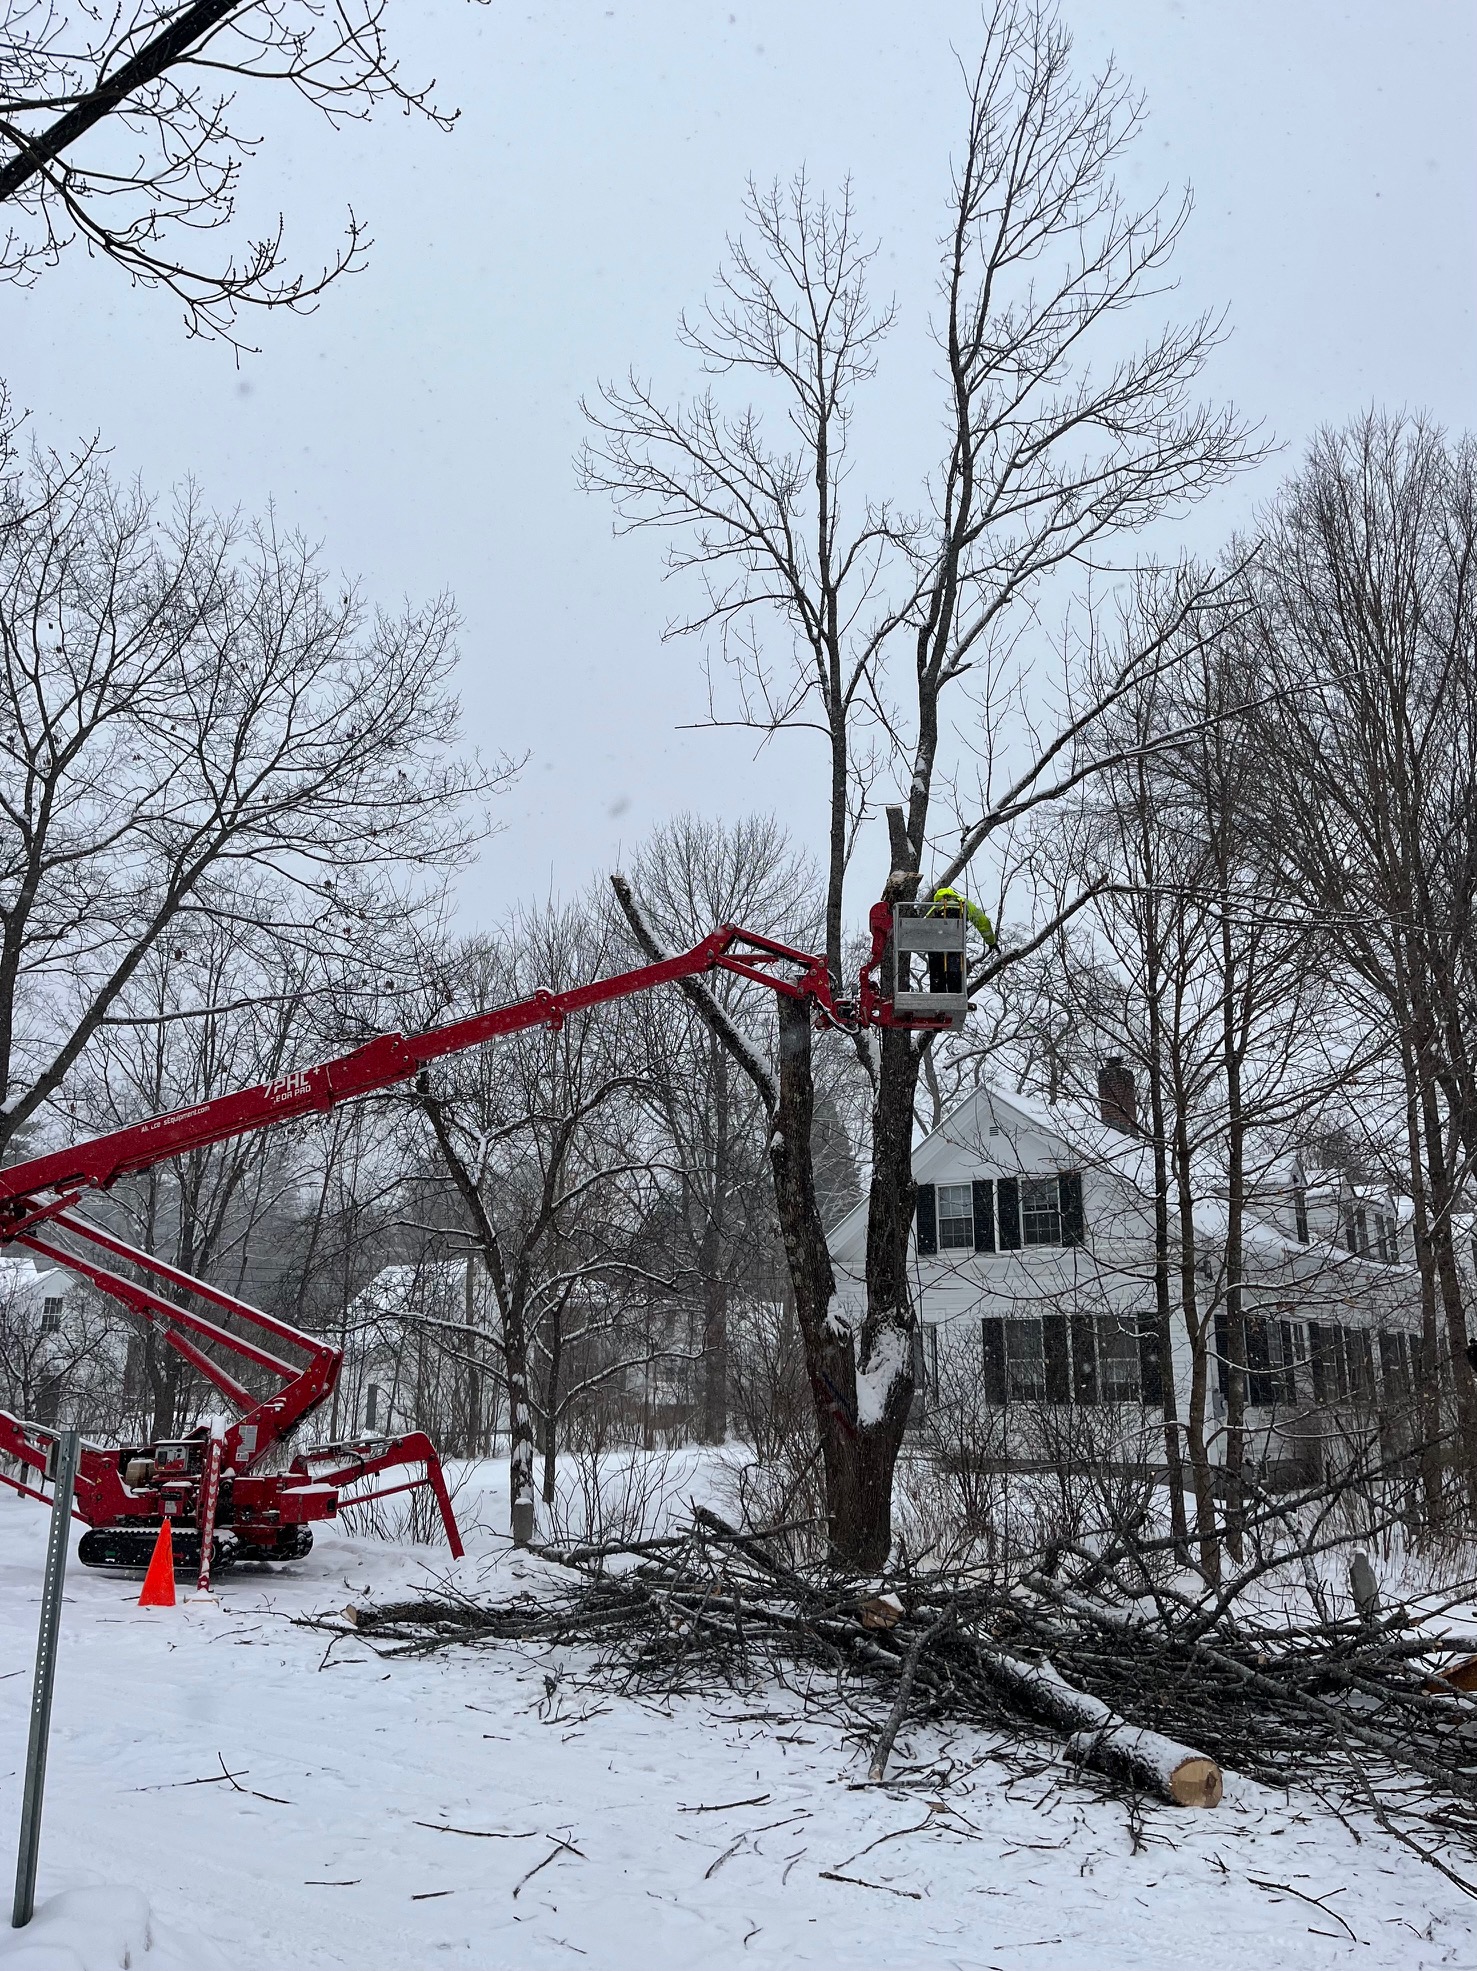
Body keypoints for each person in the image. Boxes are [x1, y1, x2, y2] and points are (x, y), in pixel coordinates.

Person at [924, 885, 996, 996]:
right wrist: (991, 942)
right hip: (955, 945)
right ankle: (955, 995)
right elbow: (983, 921)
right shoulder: (963, 903)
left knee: (937, 974)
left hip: (936, 947)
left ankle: (937, 997)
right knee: (954, 971)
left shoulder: (934, 908)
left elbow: (920, 931)